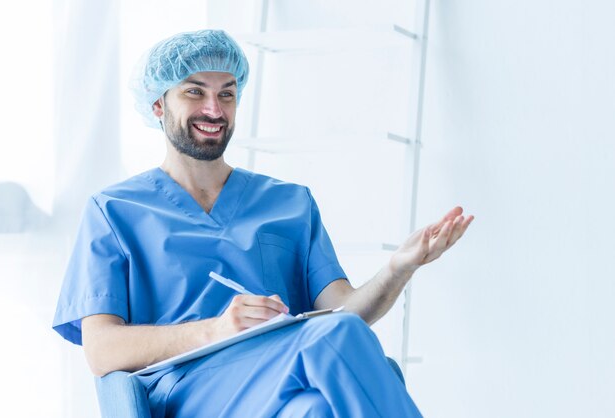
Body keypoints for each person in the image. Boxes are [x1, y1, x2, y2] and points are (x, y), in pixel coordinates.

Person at [52, 29, 473, 418]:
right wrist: (216, 329)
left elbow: (345, 311)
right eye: (194, 92)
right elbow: (101, 350)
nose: (214, 109)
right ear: (159, 105)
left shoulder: (289, 202)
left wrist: (400, 267)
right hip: (188, 391)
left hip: (288, 376)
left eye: (227, 94)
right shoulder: (114, 210)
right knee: (330, 338)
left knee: (315, 410)